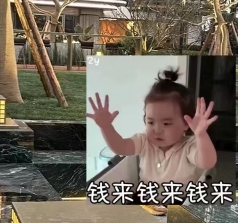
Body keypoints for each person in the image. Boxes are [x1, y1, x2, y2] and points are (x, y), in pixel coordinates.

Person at [87, 68, 218, 215]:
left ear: (186, 123)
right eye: (150, 122)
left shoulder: (190, 145)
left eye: (166, 123)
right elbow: (121, 147)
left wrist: (201, 135)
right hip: (145, 199)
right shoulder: (144, 140)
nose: (157, 130)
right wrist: (106, 127)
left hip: (180, 203)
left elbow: (207, 163)